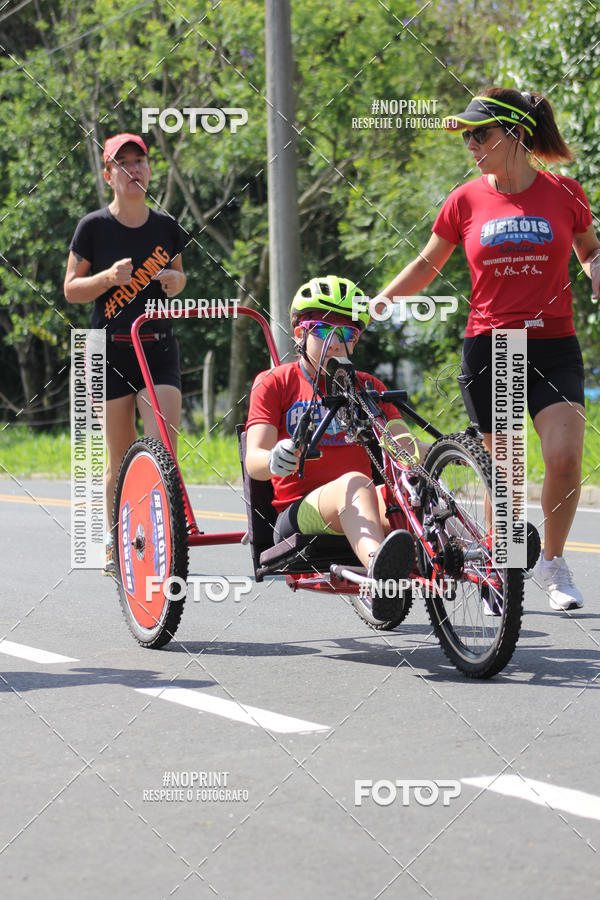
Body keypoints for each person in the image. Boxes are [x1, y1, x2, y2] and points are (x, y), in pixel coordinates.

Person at [373, 88, 600, 611]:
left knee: (564, 459)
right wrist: (377, 304)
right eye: (467, 135)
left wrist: (595, 271)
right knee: (509, 475)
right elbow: (428, 265)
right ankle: (503, 571)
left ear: (515, 134)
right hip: (494, 345)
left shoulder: (566, 194)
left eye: (481, 133)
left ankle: (553, 563)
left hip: (554, 343)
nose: (471, 143)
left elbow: (589, 248)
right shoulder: (465, 199)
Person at [245, 275, 426, 622]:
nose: (337, 342)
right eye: (324, 331)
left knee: (416, 489)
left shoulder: (368, 386)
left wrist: (451, 452)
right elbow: (254, 459)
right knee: (355, 482)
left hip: (363, 504)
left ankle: (482, 553)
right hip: (298, 516)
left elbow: (405, 446)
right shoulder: (275, 383)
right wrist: (272, 458)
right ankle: (379, 574)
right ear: (299, 334)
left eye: (347, 334)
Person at [64, 133, 186, 574]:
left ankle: (166, 536)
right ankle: (117, 541)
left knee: (164, 448)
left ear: (150, 171)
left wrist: (176, 282)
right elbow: (71, 290)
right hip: (109, 350)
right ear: (108, 175)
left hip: (158, 347)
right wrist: (105, 280)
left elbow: (179, 276)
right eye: (123, 163)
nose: (134, 170)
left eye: (140, 162)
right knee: (119, 456)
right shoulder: (93, 227)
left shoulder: (167, 226)